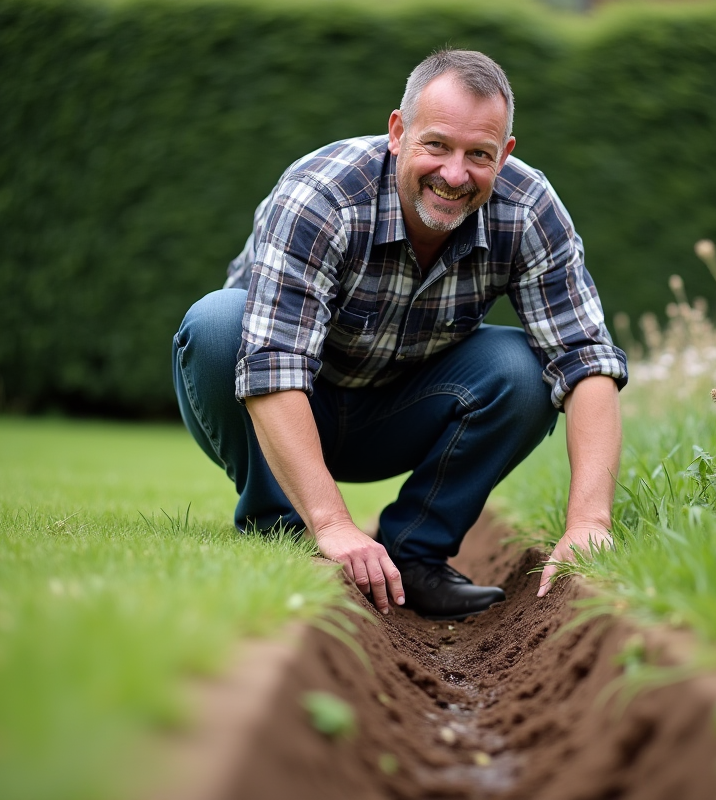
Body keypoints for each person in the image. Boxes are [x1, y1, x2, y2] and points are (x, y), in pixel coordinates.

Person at [173, 49, 626, 622]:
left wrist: (589, 524)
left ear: (505, 155)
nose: (455, 174)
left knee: (523, 368)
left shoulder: (530, 209)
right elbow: (271, 364)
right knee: (219, 323)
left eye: (478, 155)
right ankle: (283, 529)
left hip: (396, 416)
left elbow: (586, 360)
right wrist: (334, 526)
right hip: (272, 414)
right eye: (436, 145)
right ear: (398, 131)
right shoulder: (323, 195)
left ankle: (414, 555)